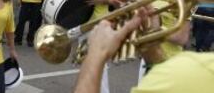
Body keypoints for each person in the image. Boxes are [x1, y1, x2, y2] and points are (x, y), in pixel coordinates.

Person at [73, 11, 214, 93]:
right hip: (161, 64)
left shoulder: (191, 70)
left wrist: (96, 55)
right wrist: (153, 52)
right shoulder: (201, 68)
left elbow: (182, 38)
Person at [78, 0, 119, 93]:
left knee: (100, 63)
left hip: (100, 25)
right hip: (84, 24)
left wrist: (100, 0)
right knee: (85, 63)